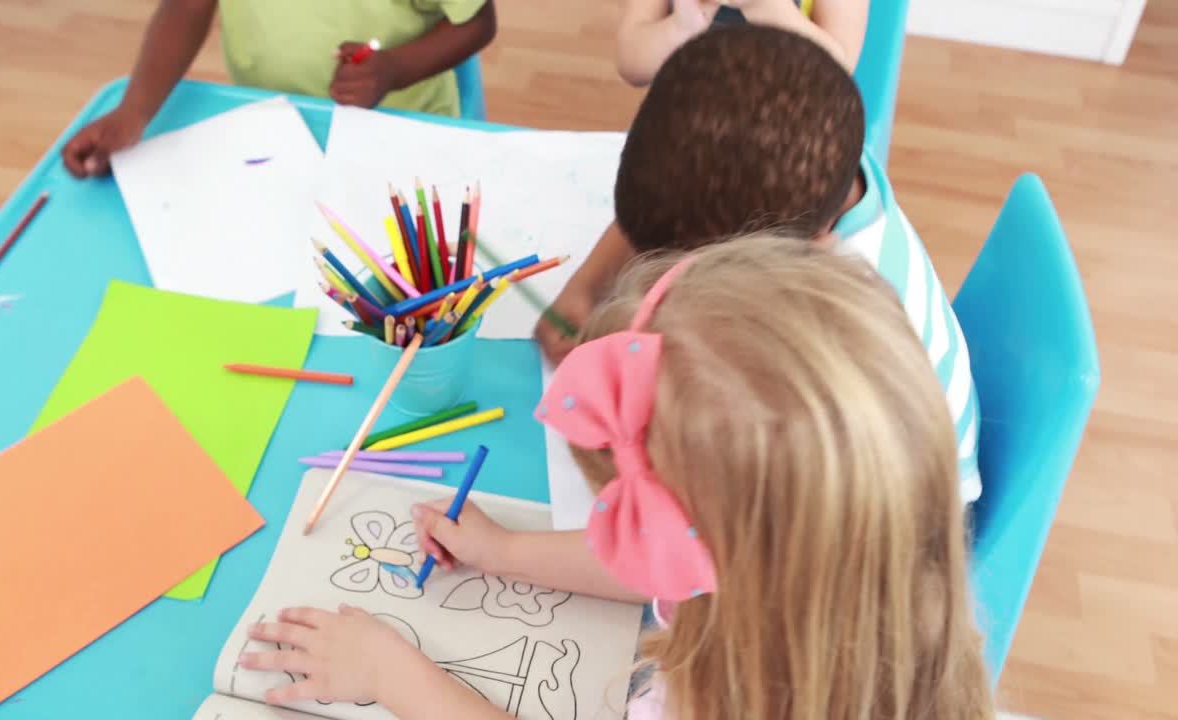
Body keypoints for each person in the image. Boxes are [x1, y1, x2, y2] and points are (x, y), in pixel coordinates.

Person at [234, 236, 996, 720]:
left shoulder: (745, 700)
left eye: (629, 514)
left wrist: (391, 674)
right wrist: (505, 553)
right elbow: (674, 565)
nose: (611, 524)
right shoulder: (838, 579)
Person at [538, 24, 981, 502]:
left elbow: (763, 488)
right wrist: (588, 286)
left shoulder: (833, 316)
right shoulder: (821, 164)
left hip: (880, 506)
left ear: (806, 246)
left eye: (692, 260)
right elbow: (679, 198)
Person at [61, 0, 497, 178]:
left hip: (402, 134)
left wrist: (394, 69)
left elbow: (477, 22)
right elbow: (188, 5)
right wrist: (133, 111)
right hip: (276, 129)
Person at [616, 0, 869, 85]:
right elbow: (630, 62)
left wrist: (767, 8)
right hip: (688, 127)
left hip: (793, 134)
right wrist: (682, 26)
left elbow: (838, 69)